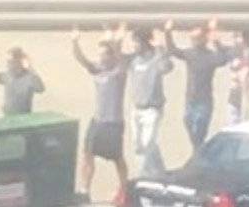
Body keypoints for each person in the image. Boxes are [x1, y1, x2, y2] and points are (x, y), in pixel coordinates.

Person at [73, 28, 130, 204]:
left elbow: (122, 61)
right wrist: (75, 42)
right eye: (99, 55)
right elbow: (82, 60)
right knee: (87, 154)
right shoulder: (98, 70)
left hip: (113, 123)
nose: (100, 58)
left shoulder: (119, 73)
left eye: (104, 55)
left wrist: (116, 43)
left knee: (117, 159)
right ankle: (85, 190)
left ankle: (125, 190)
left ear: (111, 57)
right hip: (97, 120)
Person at [169, 18, 232, 154]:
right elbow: (173, 50)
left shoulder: (210, 56)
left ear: (204, 39)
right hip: (190, 100)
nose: (194, 41)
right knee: (188, 123)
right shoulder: (190, 54)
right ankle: (199, 154)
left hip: (204, 102)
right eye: (192, 38)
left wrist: (215, 38)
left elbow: (224, 59)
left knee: (199, 133)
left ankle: (198, 155)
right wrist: (168, 31)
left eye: (196, 38)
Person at [127, 24, 177, 178]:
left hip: (152, 109)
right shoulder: (134, 60)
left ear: (144, 42)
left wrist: (161, 51)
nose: (133, 45)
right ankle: (161, 173)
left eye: (136, 42)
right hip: (137, 108)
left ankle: (142, 176)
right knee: (139, 144)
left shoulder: (156, 58)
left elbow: (168, 67)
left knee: (147, 144)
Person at [0, 46, 45, 116]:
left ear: (19, 61)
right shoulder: (8, 75)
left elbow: (41, 88)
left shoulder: (29, 77)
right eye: (7, 61)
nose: (7, 64)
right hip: (8, 117)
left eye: (10, 61)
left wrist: (30, 67)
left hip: (24, 118)